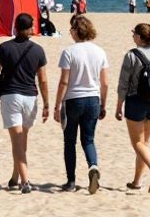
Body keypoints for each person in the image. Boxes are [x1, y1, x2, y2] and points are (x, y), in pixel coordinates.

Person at [0, 13, 49, 194]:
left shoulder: (4, 48)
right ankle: (15, 177)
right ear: (30, 28)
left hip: (11, 96)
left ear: (16, 27)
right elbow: (43, 80)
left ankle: (25, 181)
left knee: (16, 141)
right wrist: (46, 103)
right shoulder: (38, 50)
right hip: (30, 97)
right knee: (22, 140)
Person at [53, 14, 109, 193]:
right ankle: (93, 166)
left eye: (71, 29)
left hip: (73, 100)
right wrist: (103, 104)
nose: (70, 32)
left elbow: (64, 82)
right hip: (93, 99)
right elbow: (105, 82)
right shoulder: (99, 51)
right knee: (88, 139)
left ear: (77, 31)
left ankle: (71, 182)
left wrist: (57, 105)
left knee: (70, 141)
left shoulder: (69, 52)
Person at [116, 23, 150, 192]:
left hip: (136, 102)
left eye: (134, 34)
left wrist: (119, 105)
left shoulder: (131, 55)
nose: (132, 36)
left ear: (140, 37)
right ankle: (137, 182)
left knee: (137, 143)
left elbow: (123, 83)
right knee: (144, 144)